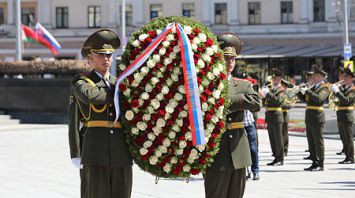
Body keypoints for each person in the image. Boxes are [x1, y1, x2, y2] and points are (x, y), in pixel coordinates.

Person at [70, 29, 133, 197]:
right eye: (100, 55)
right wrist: (75, 153)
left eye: (109, 55)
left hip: (121, 153)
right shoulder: (82, 81)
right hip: (95, 152)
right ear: (90, 57)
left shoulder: (118, 83)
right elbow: (91, 97)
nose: (106, 59)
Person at [204, 32, 260, 198]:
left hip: (239, 150)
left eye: (232, 59)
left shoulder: (242, 84)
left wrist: (225, 101)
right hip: (216, 151)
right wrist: (240, 101)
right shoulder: (207, 84)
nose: (229, 62)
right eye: (225, 58)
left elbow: (256, 103)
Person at [298, 65, 330, 171]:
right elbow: (306, 99)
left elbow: (319, 99)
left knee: (318, 141)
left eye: (316, 75)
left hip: (317, 117)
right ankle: (314, 162)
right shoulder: (313, 87)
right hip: (310, 116)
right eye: (314, 75)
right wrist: (299, 92)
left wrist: (307, 91)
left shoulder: (324, 87)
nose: (314, 77)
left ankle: (320, 164)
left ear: (322, 76)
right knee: (311, 141)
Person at [260, 68, 286, 166]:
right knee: (272, 139)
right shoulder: (271, 89)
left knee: (278, 139)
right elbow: (265, 102)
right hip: (270, 116)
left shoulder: (281, 90)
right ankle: (275, 156)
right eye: (273, 78)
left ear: (280, 79)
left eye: (275, 78)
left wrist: (268, 94)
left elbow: (279, 101)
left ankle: (280, 158)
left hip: (277, 116)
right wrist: (263, 94)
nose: (273, 80)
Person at [332, 68, 355, 164]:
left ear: (352, 79)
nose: (345, 79)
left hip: (347, 116)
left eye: (347, 77)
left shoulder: (352, 90)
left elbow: (346, 100)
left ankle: (350, 158)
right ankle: (347, 156)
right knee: (344, 138)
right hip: (341, 115)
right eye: (344, 77)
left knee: (348, 139)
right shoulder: (344, 88)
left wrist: (337, 92)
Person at [68, 92, 87, 197]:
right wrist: (76, 153)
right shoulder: (81, 86)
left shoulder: (113, 83)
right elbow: (73, 124)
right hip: (88, 147)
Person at [281, 79, 293, 157]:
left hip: (284, 114)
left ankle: (285, 150)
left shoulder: (288, 93)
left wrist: (278, 104)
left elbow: (289, 105)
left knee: (284, 133)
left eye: (282, 85)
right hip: (276, 114)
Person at [336, 67, 346, 155]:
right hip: (339, 111)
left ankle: (349, 151)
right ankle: (344, 147)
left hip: (346, 113)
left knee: (347, 134)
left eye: (342, 76)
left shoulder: (347, 87)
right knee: (341, 132)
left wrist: (338, 90)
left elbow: (345, 98)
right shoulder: (339, 85)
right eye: (339, 76)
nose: (340, 78)